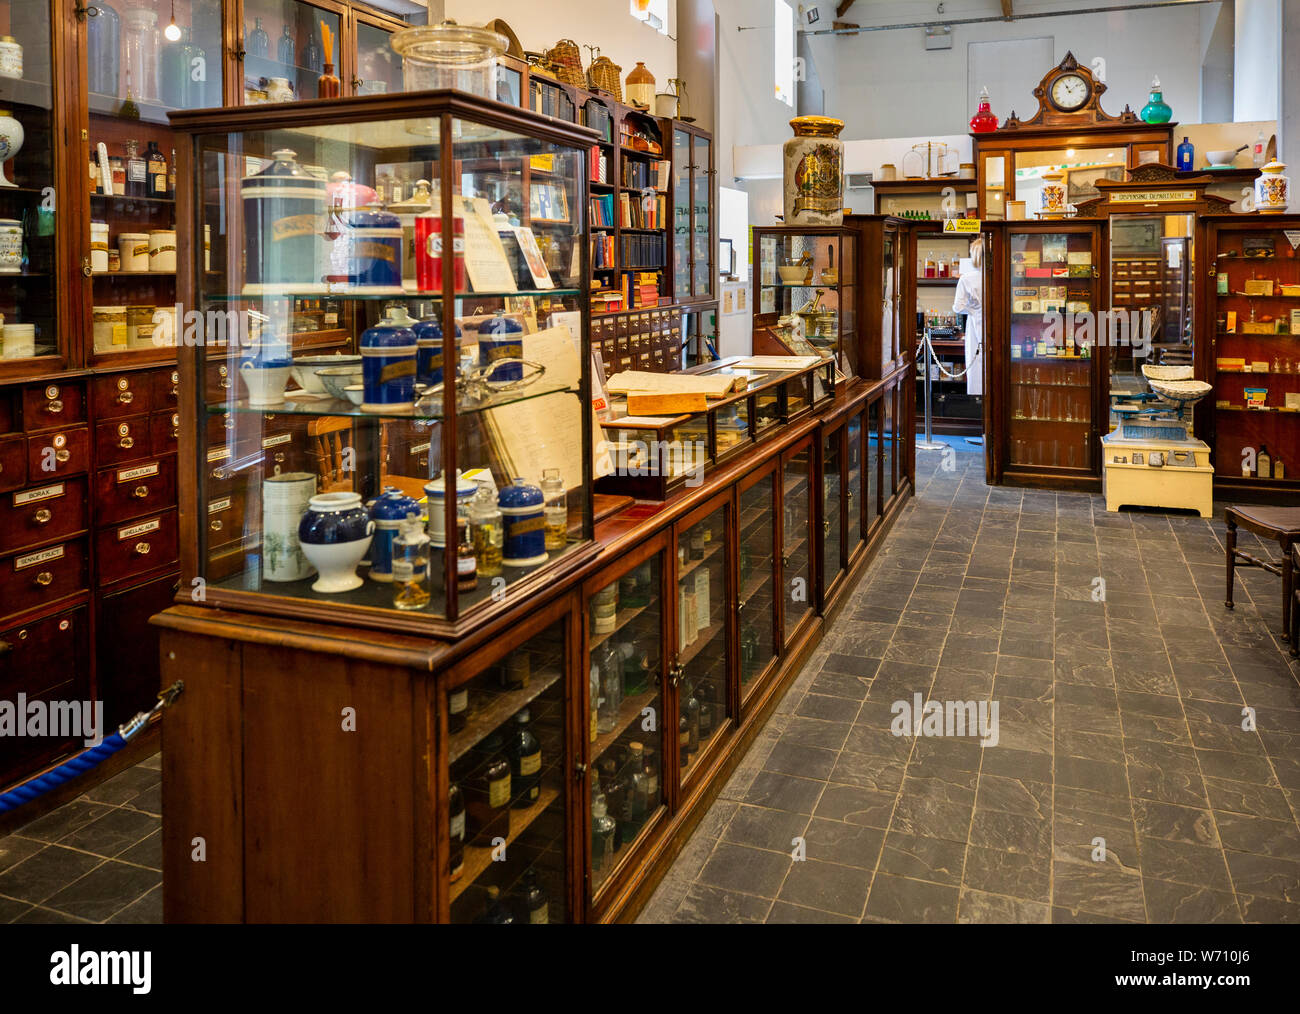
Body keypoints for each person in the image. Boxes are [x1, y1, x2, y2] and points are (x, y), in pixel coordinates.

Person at [952, 235, 984, 399]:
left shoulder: (967, 278)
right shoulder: (997, 276)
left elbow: (957, 307)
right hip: (998, 327)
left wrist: (972, 310)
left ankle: (977, 405)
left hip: (974, 328)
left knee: (976, 366)